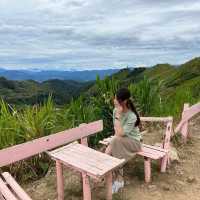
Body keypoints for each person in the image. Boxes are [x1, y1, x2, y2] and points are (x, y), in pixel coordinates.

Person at [105, 88, 142, 193]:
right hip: (120, 140)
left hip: (134, 143)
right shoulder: (114, 111)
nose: (114, 100)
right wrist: (116, 114)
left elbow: (119, 133)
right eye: (115, 98)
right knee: (110, 149)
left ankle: (119, 179)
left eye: (116, 99)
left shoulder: (132, 116)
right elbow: (116, 131)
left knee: (114, 145)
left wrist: (117, 116)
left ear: (124, 101)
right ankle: (113, 176)